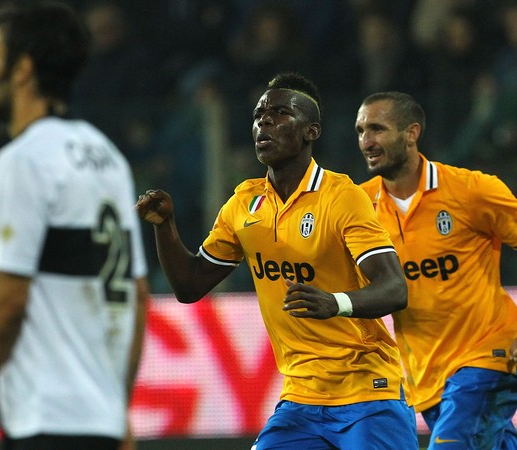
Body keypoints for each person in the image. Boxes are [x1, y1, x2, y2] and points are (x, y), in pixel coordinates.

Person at [136, 72, 418, 449]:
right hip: (299, 400)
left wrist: (335, 303)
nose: (264, 121)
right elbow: (188, 286)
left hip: (366, 392)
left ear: (311, 131)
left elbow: (394, 288)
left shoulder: (342, 197)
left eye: (281, 113)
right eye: (258, 114)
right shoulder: (243, 205)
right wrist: (165, 227)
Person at [0, 3, 149, 450]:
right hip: (102, 420)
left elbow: (8, 302)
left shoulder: (23, 161)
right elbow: (138, 296)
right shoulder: (108, 156)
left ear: (23, 69)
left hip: (45, 416)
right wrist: (119, 405)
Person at [356, 91, 517, 449]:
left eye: (377, 128)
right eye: (360, 131)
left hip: (489, 355)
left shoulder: (471, 190)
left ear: (411, 133)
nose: (366, 141)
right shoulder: (359, 207)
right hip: (426, 375)